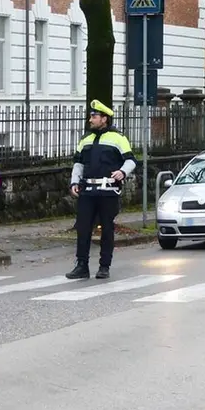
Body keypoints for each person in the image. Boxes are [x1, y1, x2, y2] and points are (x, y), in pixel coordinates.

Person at [66, 100, 136, 280]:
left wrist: (122, 171)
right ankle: (81, 265)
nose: (91, 119)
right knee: (83, 228)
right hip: (88, 190)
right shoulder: (85, 139)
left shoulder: (118, 138)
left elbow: (130, 160)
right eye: (91, 116)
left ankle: (104, 266)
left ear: (104, 119)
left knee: (106, 229)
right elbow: (78, 163)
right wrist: (74, 182)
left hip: (107, 191)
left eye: (94, 116)